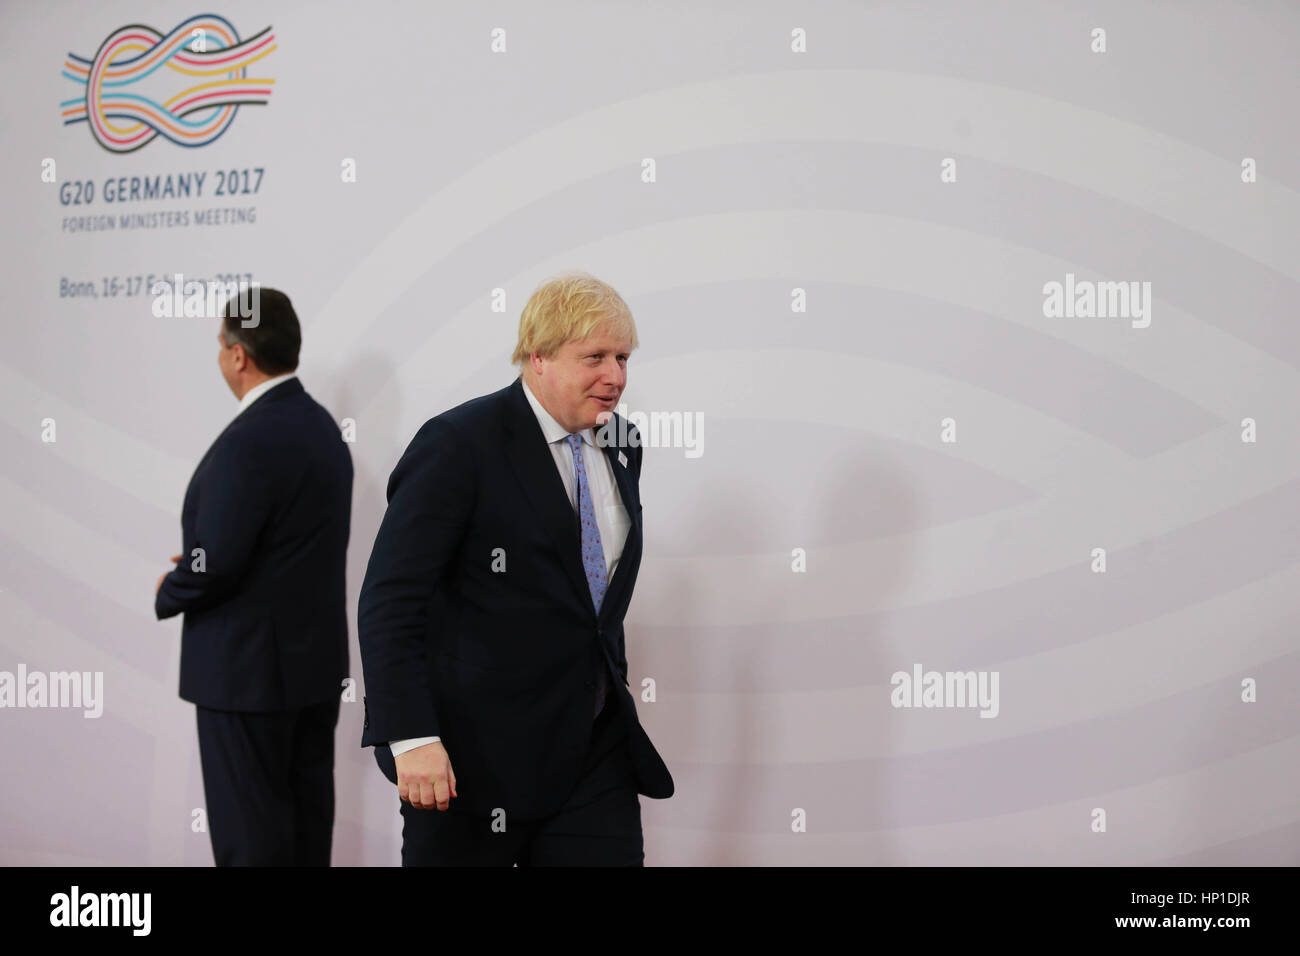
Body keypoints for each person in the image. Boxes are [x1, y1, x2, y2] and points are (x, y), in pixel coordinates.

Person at [358, 272, 673, 866]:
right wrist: (413, 737)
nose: (616, 377)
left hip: (592, 748)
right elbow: (390, 599)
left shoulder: (623, 442)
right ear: (539, 358)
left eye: (623, 357)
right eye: (595, 357)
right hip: (467, 760)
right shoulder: (458, 443)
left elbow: (593, 603)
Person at [154, 286, 353, 866]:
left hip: (244, 678)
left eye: (221, 344)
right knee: (304, 834)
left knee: (252, 844)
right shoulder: (323, 430)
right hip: (310, 673)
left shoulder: (248, 441)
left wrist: (172, 588)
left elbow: (213, 558)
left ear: (238, 355)